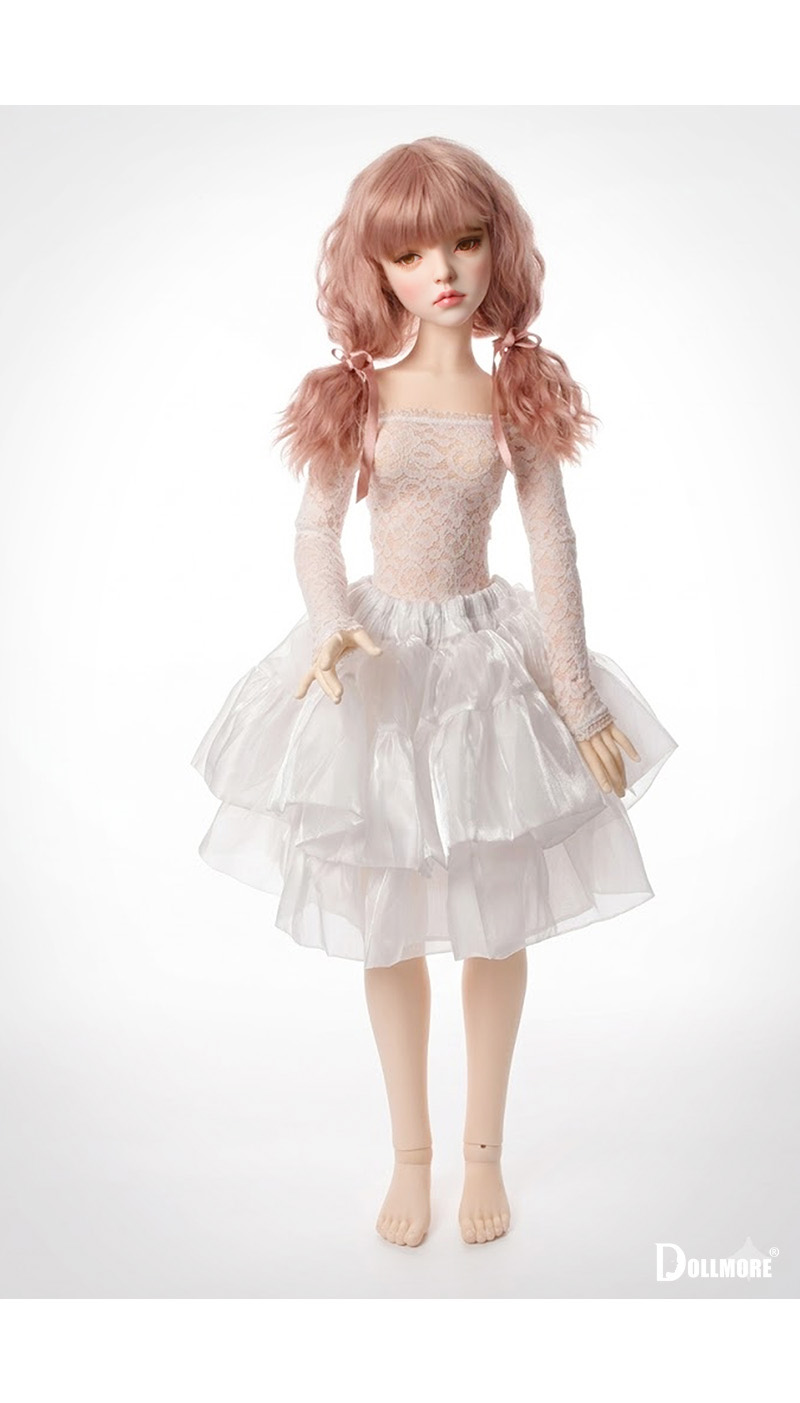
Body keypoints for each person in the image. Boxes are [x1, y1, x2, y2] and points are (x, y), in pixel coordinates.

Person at [191, 135, 677, 1248]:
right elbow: (315, 528)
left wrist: (576, 696)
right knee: (389, 917)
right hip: (380, 659)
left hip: (482, 658)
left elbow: (551, 541)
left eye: (463, 242)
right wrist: (332, 624)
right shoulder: (355, 396)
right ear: (376, 269)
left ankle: (481, 1154)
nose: (443, 272)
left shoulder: (515, 395)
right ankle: (409, 1152)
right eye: (411, 254)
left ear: (497, 247)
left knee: (494, 912)